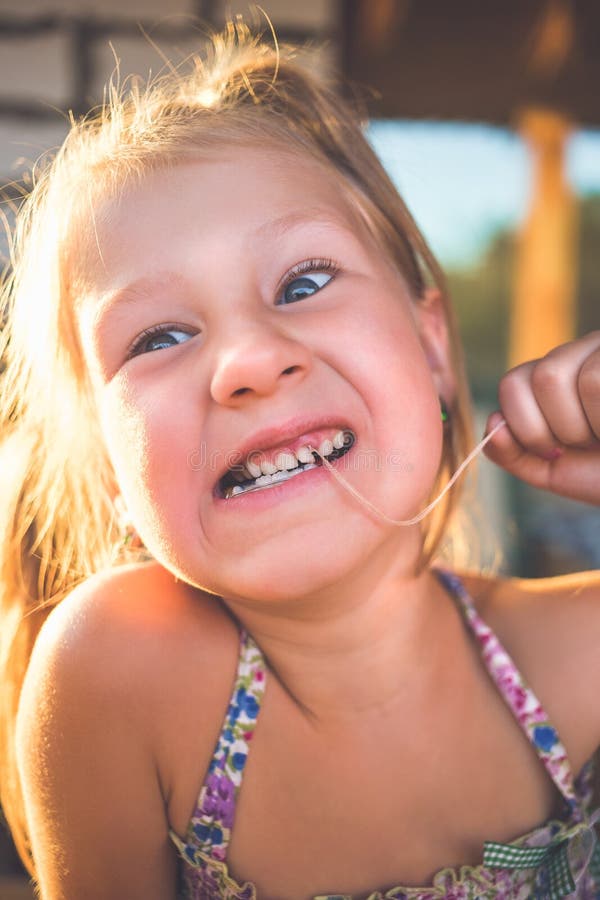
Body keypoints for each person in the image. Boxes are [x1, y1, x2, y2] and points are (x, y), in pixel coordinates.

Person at [0, 21, 599, 900]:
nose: (248, 362)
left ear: (434, 349)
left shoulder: (581, 649)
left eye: (304, 284)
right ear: (110, 479)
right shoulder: (121, 670)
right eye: (159, 336)